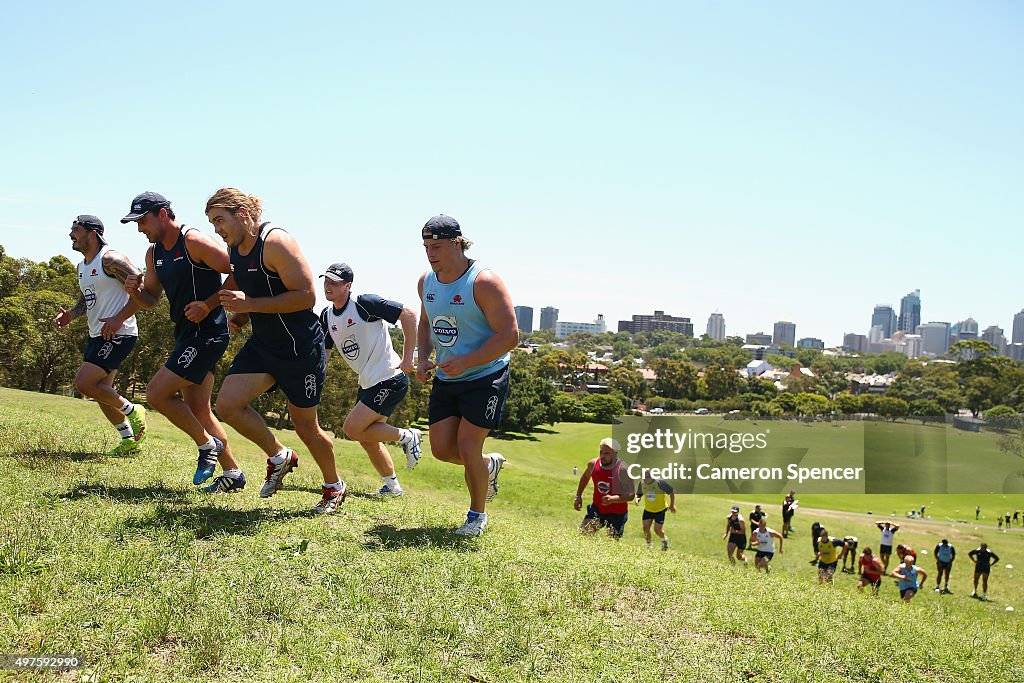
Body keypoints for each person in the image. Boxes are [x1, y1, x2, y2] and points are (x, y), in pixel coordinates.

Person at [205, 188, 346, 513]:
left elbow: (306, 296)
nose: (217, 229)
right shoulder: (236, 248)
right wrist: (239, 316)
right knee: (227, 404)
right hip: (264, 344)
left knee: (306, 427)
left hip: (300, 348)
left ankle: (333, 486)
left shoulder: (277, 243)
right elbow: (246, 283)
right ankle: (279, 455)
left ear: (242, 214)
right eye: (213, 223)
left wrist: (249, 305)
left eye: (219, 220)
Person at [120, 192, 245, 492]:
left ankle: (206, 445)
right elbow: (150, 298)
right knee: (199, 409)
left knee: (156, 393)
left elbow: (241, 270)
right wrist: (134, 290)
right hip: (186, 334)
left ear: (162, 214)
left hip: (209, 333)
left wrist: (209, 304)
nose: (140, 229)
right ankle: (233, 473)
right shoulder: (154, 254)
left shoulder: (194, 241)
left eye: (143, 221)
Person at [416, 215, 518, 536]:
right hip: (448, 379)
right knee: (443, 450)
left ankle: (476, 517)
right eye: (426, 247)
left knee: (468, 445)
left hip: (486, 375)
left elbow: (510, 336)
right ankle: (488, 468)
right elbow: (425, 323)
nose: (431, 253)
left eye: (437, 246)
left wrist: (468, 361)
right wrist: (422, 357)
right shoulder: (426, 282)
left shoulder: (484, 282)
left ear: (457, 242)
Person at [318, 262, 421, 497]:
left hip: (389, 378)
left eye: (334, 282)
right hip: (367, 383)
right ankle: (393, 488)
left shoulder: (364, 304)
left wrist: (408, 359)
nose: (328, 286)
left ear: (348, 285)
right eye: (326, 281)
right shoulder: (326, 316)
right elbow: (325, 352)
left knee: (352, 429)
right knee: (368, 437)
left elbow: (408, 314)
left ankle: (407, 436)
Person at [54, 215, 147, 456]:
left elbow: (142, 287)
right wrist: (71, 316)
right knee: (103, 391)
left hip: (120, 333)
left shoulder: (110, 259)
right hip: (98, 334)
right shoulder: (83, 266)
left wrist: (119, 319)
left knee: (85, 384)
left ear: (92, 233)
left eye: (75, 229)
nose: (70, 234)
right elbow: (87, 298)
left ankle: (133, 410)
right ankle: (129, 440)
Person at [575, 438, 634, 539]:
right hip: (597, 509)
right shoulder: (593, 464)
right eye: (601, 452)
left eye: (607, 453)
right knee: (583, 535)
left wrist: (613, 499)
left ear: (615, 454)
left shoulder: (623, 469)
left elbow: (631, 495)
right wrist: (578, 496)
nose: (602, 456)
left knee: (610, 544)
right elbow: (585, 477)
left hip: (617, 513)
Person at [635, 473, 675, 550]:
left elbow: (671, 492)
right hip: (648, 510)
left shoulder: (660, 483)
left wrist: (672, 505)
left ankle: (664, 540)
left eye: (646, 478)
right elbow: (639, 493)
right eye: (643, 478)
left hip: (660, 510)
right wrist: (637, 498)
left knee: (657, 530)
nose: (644, 480)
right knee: (645, 528)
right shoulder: (642, 483)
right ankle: (649, 546)